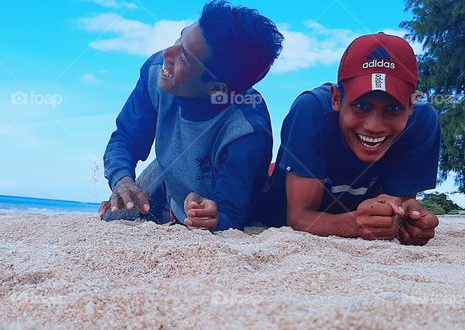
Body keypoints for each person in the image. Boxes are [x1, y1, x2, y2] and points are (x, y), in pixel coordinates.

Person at [98, 1, 283, 231]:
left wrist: (216, 217)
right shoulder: (156, 72)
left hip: (203, 201)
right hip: (168, 176)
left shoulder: (246, 129)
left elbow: (233, 213)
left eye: (184, 58)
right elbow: (125, 139)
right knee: (114, 217)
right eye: (180, 38)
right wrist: (122, 179)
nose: (167, 53)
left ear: (217, 88)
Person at [257, 33, 442, 245]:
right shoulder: (311, 110)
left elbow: (395, 205)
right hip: (273, 215)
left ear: (411, 105)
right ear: (336, 98)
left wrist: (407, 218)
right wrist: (354, 224)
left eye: (393, 108)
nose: (374, 126)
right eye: (362, 106)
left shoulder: (422, 121)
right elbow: (298, 217)